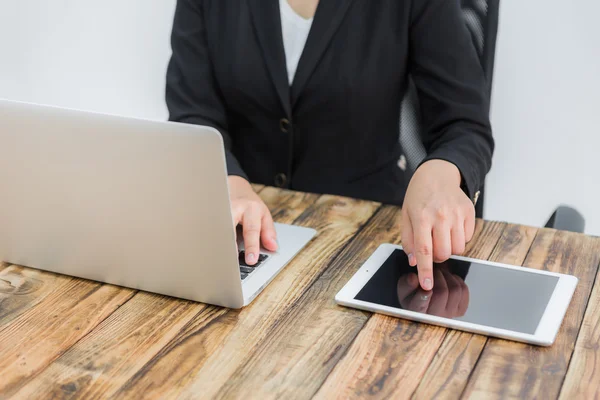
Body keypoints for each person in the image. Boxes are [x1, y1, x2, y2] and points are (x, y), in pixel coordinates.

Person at [165, 0, 494, 291]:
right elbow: (192, 112)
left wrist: (440, 174)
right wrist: (228, 180)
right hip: (244, 236)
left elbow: (464, 124)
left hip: (363, 239)